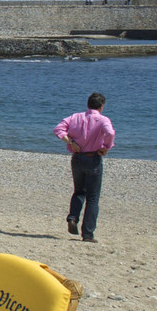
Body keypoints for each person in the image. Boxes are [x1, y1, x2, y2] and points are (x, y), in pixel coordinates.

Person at [54, 92, 115, 243]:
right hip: (93, 158)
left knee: (79, 191)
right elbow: (110, 132)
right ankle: (87, 233)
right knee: (93, 197)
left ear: (88, 104)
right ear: (102, 106)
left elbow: (58, 129)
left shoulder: (76, 117)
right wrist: (106, 147)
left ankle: (73, 217)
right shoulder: (103, 119)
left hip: (77, 157)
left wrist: (70, 142)